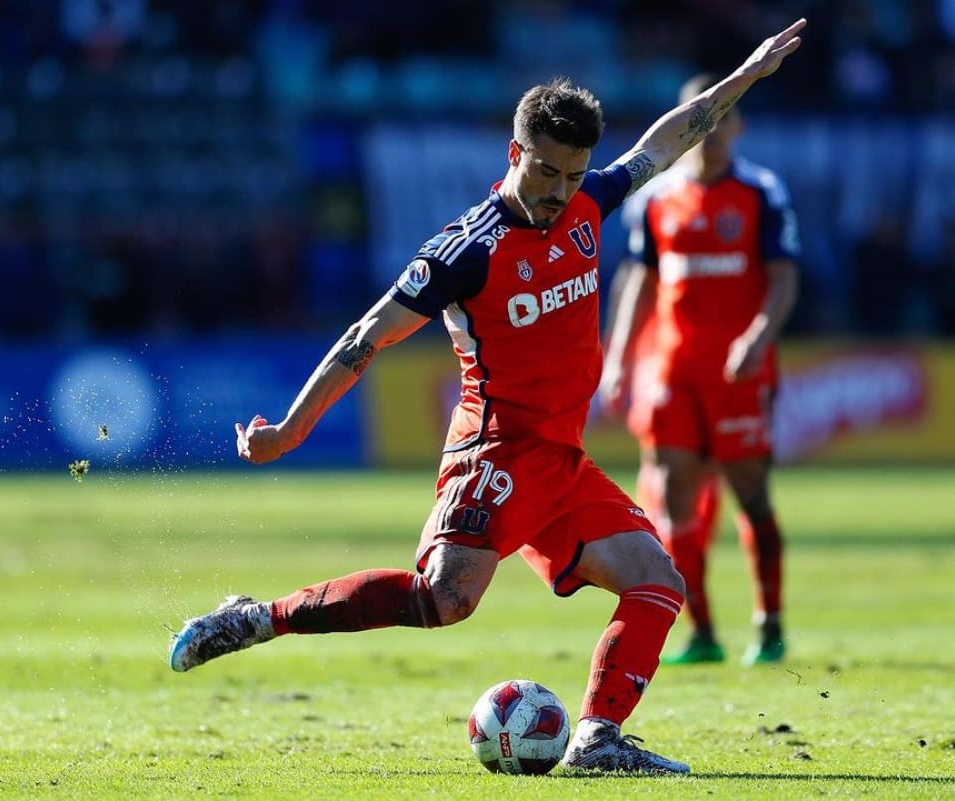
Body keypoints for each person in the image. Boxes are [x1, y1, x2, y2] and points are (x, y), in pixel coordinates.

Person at [169, 20, 805, 775]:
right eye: (546, 173)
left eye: (573, 175)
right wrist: (289, 429)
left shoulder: (589, 203)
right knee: (444, 600)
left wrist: (746, 75)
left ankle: (597, 740)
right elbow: (367, 335)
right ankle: (255, 619)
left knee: (657, 584)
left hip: (560, 461)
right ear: (514, 154)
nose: (559, 192)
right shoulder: (465, 250)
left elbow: (669, 139)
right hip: (495, 452)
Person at [599, 73, 800, 667]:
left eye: (721, 118)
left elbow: (784, 276)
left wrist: (758, 337)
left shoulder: (761, 193)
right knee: (672, 492)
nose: (710, 131)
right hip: (672, 368)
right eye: (701, 119)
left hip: (738, 370)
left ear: (738, 126)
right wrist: (619, 357)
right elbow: (638, 279)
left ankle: (769, 624)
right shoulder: (656, 199)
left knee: (750, 492)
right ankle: (702, 630)